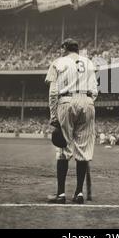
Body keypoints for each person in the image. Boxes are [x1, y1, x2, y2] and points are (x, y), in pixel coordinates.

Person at [45, 38, 98, 204]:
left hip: (66, 101)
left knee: (63, 149)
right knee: (82, 150)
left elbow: (53, 92)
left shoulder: (59, 62)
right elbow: (95, 90)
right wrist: (86, 102)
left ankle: (61, 194)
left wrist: (54, 115)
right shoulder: (88, 62)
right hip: (87, 101)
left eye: (61, 48)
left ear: (64, 48)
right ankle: (79, 193)